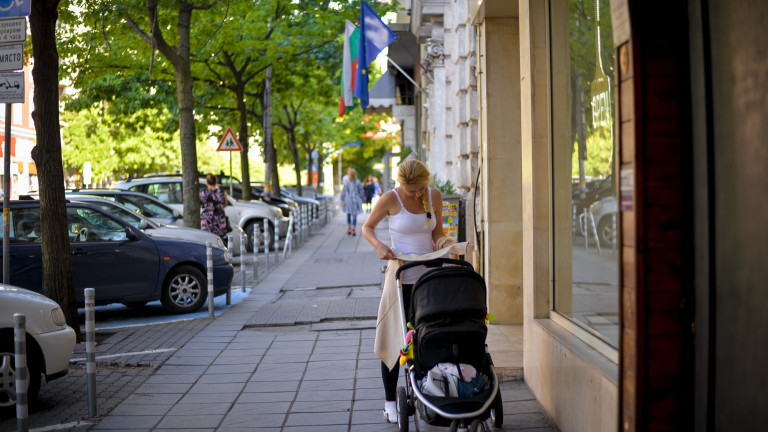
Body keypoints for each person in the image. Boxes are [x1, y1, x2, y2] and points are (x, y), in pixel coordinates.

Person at [361, 159, 458, 423]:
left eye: (420, 188)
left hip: (430, 278)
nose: (416, 194)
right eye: (411, 189)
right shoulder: (390, 199)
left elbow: (437, 232)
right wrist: (380, 246)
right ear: (401, 183)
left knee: (432, 335)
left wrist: (447, 242)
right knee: (396, 337)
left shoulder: (434, 195)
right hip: (401, 277)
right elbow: (367, 227)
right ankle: (390, 401)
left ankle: (433, 391)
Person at [200, 173, 229, 242]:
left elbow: (200, 204)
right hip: (219, 219)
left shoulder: (202, 193)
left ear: (207, 183)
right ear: (216, 182)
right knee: (220, 240)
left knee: (207, 240)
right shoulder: (222, 192)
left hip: (206, 220)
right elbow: (225, 204)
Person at [341, 167, 364, 236]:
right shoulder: (358, 181)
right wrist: (363, 198)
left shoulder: (346, 182)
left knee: (348, 214)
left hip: (348, 200)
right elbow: (361, 191)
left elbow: (344, 191)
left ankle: (349, 227)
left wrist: (342, 199)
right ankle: (353, 228)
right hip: (356, 200)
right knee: (354, 214)